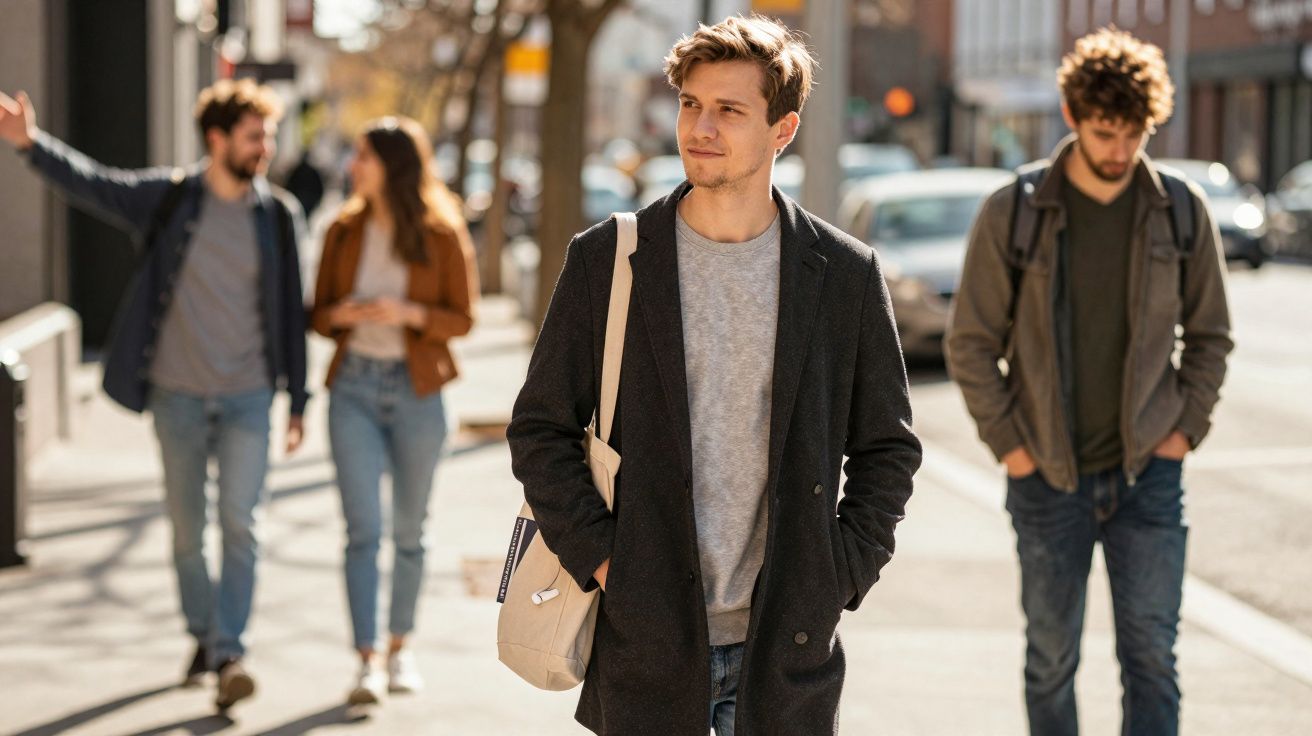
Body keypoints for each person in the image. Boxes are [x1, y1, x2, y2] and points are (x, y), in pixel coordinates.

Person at [506, 15, 921, 736]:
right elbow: (540, 430)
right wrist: (608, 563)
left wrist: (839, 575)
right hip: (645, 640)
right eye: (691, 104)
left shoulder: (845, 276)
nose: (701, 126)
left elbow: (888, 447)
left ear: (782, 131)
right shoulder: (609, 260)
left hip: (785, 651)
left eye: (729, 110)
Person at [945, 28, 1233, 736]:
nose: (1119, 150)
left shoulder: (1182, 210)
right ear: (1073, 117)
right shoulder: (1014, 212)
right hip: (1046, 477)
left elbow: (1211, 338)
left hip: (1148, 479)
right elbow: (972, 344)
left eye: (1134, 134)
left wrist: (1181, 435)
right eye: (1106, 132)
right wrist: (1014, 449)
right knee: (1050, 661)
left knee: (1153, 662)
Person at [0, 79, 309, 711]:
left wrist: (299, 400)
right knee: (187, 533)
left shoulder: (278, 215)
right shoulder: (170, 199)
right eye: (255, 136)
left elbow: (289, 312)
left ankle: (229, 650)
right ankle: (205, 634)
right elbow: (96, 184)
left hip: (249, 395)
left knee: (240, 524)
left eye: (269, 136)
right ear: (217, 139)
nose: (266, 147)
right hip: (178, 396)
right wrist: (31, 145)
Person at [309, 116, 477, 706]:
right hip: (352, 388)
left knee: (410, 532)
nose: (353, 166)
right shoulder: (342, 230)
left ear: (394, 165)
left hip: (417, 393)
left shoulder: (440, 232)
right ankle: (365, 662)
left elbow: (463, 317)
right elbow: (318, 313)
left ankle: (401, 649)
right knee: (363, 532)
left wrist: (407, 314)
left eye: (363, 156)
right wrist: (345, 316)